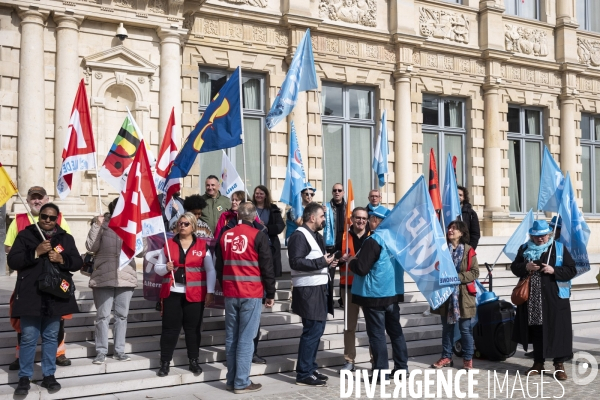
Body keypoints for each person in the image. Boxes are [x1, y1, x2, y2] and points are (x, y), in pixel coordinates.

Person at [8, 203, 82, 396]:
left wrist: (62, 259)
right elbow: (13, 260)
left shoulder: (65, 238)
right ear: (39, 216)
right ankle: (24, 378)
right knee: (29, 337)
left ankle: (49, 375)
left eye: (52, 217)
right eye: (44, 216)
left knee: (51, 338)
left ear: (57, 218)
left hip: (55, 296)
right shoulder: (26, 235)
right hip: (31, 295)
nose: (47, 220)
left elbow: (77, 262)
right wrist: (36, 252)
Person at [4, 186, 72, 370]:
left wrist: (59, 257)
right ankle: (21, 358)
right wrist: (33, 251)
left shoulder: (59, 218)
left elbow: (66, 245)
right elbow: (9, 249)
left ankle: (58, 353)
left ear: (47, 199)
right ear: (28, 201)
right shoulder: (18, 221)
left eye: (40, 198)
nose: (37, 201)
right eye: (33, 198)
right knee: (24, 326)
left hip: (54, 283)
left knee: (57, 323)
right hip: (28, 283)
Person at [215, 202, 276, 393]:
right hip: (251, 292)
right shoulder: (258, 235)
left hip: (231, 292)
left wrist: (225, 285)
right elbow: (267, 265)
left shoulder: (225, 235)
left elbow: (219, 266)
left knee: (232, 337)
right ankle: (241, 382)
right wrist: (271, 292)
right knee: (246, 339)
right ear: (254, 216)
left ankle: (232, 379)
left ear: (238, 215)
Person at [510, 220, 577, 381]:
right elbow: (514, 267)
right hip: (532, 299)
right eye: (537, 236)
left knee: (557, 330)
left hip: (554, 298)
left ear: (549, 235)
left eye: (543, 235)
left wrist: (554, 270)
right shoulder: (524, 248)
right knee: (537, 330)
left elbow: (571, 269)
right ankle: (538, 363)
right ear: (532, 236)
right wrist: (526, 267)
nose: (540, 239)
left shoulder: (558, 248)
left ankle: (559, 365)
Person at [348, 207, 408, 383]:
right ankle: (401, 369)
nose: (368, 221)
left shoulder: (373, 240)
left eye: (371, 218)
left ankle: (380, 372)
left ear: (375, 220)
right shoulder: (396, 240)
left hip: (375, 294)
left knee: (377, 335)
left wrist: (351, 261)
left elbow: (361, 268)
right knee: (396, 333)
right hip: (392, 293)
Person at [155, 212, 216, 377]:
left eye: (186, 224)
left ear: (193, 226)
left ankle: (193, 361)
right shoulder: (168, 244)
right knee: (169, 330)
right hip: (172, 293)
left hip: (195, 295)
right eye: (180, 223)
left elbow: (210, 270)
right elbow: (158, 268)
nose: (182, 226)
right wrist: (164, 268)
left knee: (193, 330)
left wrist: (210, 292)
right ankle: (165, 362)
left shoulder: (202, 246)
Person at [288, 202, 338, 386]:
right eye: (322, 216)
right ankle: (303, 373)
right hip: (308, 290)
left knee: (317, 330)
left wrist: (329, 262)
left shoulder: (316, 235)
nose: (324, 219)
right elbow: (295, 262)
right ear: (312, 217)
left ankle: (310, 367)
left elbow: (316, 260)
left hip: (319, 288)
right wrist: (321, 262)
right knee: (312, 331)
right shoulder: (299, 236)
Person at [86, 198, 141, 364]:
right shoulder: (103, 224)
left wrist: (140, 232)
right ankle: (101, 352)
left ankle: (119, 351)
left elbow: (141, 252)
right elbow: (91, 247)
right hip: (104, 275)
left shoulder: (132, 225)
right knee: (102, 316)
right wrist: (97, 225)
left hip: (126, 276)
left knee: (121, 316)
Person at [430, 220, 479, 371]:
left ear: (461, 233)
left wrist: (456, 277)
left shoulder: (469, 250)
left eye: (454, 228)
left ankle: (467, 359)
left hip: (463, 297)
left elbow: (475, 272)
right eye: (449, 228)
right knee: (447, 329)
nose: (450, 230)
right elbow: (434, 270)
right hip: (446, 296)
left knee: (465, 329)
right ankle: (446, 357)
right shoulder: (442, 250)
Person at [337, 207, 370, 372]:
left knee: (372, 326)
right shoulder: (343, 236)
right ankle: (349, 360)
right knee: (349, 327)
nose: (361, 221)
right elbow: (335, 258)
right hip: (349, 287)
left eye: (364, 218)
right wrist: (339, 259)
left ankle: (375, 359)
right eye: (358, 218)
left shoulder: (373, 237)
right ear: (352, 218)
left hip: (368, 287)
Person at [252, 185, 285, 277]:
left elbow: (280, 226)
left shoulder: (273, 208)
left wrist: (267, 228)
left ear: (266, 195)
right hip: (253, 244)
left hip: (269, 246)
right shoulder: (250, 207)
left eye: (261, 193)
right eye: (257, 193)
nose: (258, 195)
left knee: (269, 274)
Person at [325, 183, 346, 255]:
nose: (337, 192)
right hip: (330, 244)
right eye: (335, 190)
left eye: (339, 190)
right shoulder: (325, 207)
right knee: (330, 265)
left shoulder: (348, 208)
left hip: (345, 243)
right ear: (332, 193)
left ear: (343, 193)